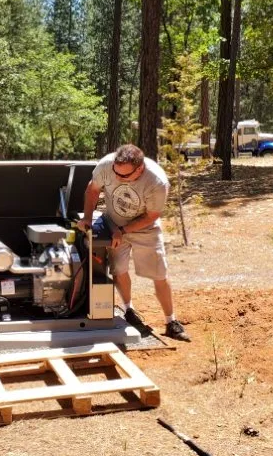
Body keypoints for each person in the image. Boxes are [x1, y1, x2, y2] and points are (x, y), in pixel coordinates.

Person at [77, 144, 190, 341]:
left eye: (125, 176)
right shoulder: (106, 166)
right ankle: (129, 309)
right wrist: (87, 218)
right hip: (114, 223)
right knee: (119, 270)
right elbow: (92, 189)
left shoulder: (156, 182)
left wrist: (124, 231)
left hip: (145, 227)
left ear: (139, 169)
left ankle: (171, 321)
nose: (119, 178)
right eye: (116, 173)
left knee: (159, 273)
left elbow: (152, 215)